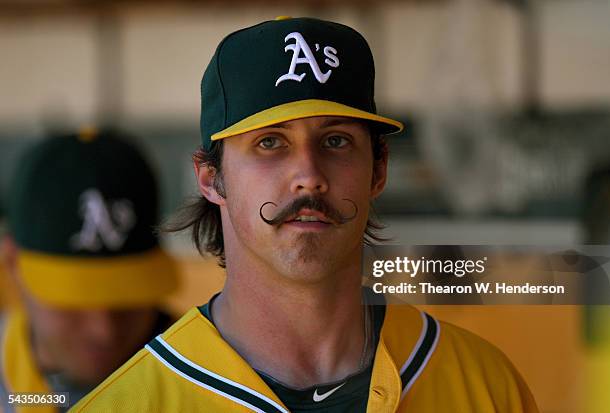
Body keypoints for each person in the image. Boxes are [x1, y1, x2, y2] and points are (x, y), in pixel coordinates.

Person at [72, 17, 538, 412]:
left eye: (335, 141)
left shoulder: (487, 387)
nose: (309, 176)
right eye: (270, 142)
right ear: (211, 177)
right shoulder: (128, 402)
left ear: (378, 170)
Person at [0, 128, 178, 412]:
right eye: (75, 299)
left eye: (127, 297)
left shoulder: (208, 380)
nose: (104, 330)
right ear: (11, 262)